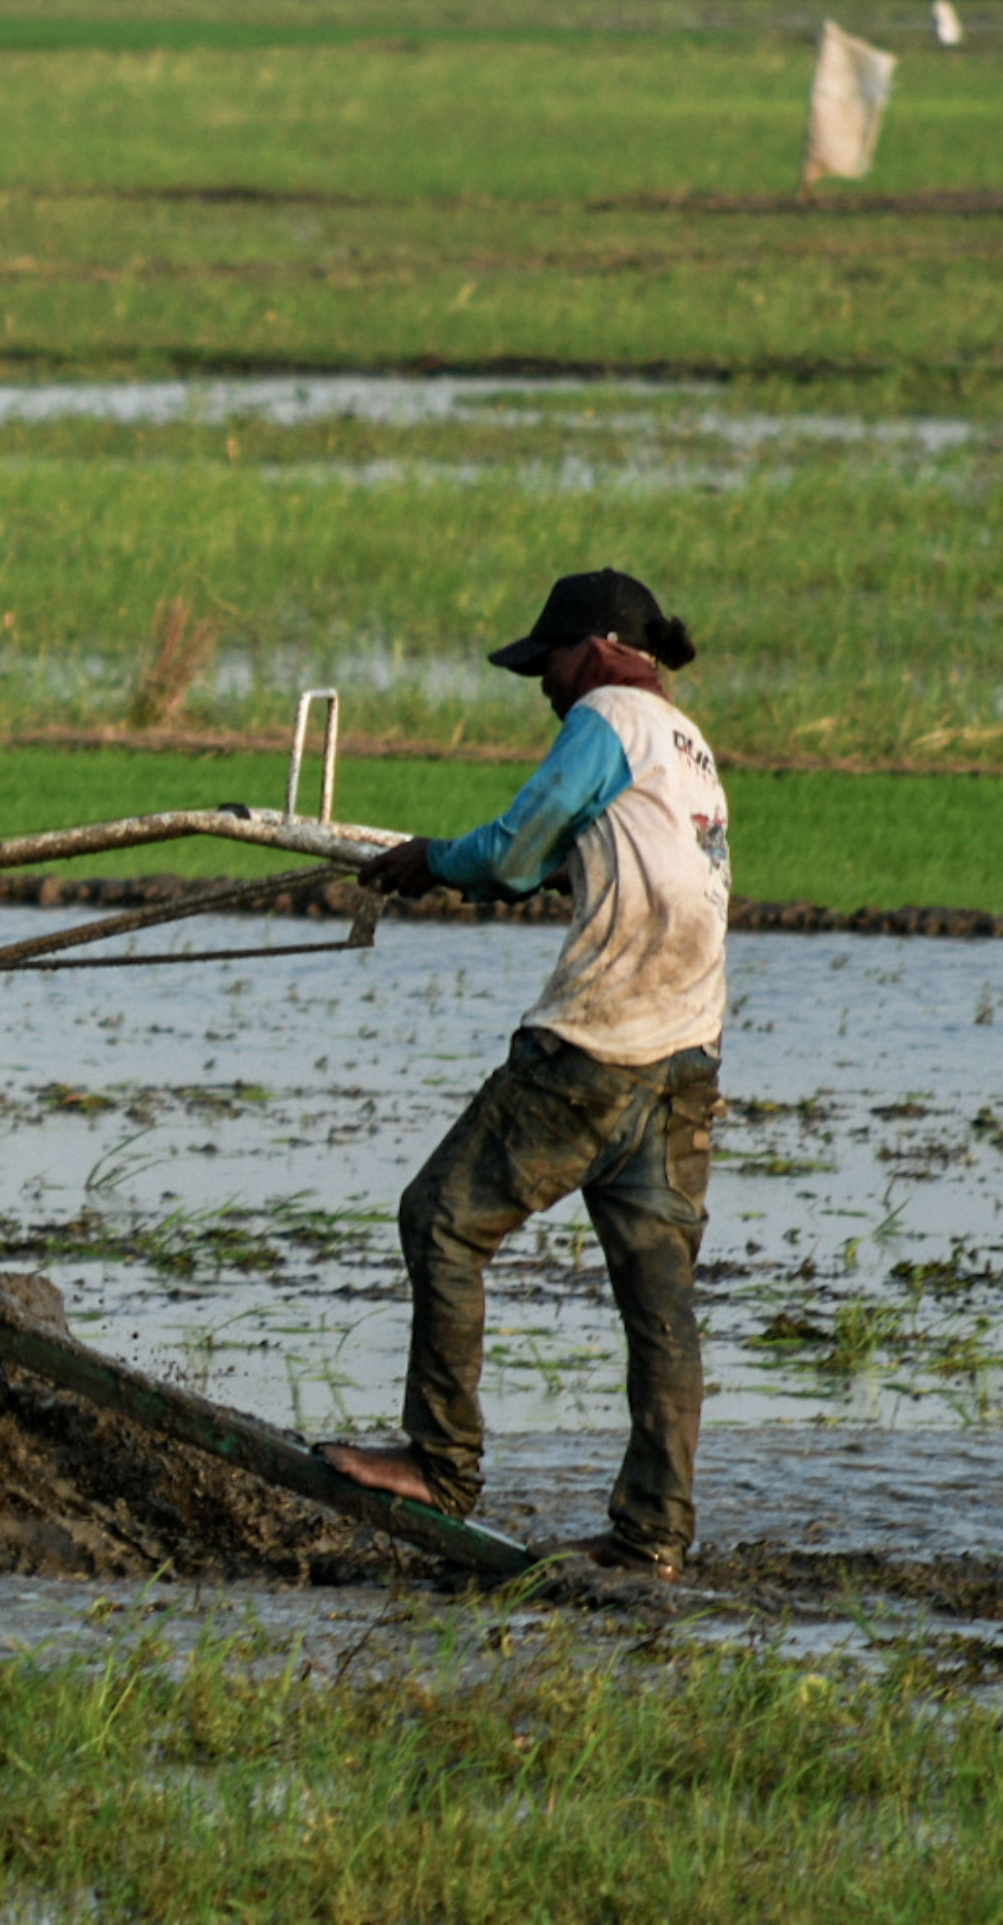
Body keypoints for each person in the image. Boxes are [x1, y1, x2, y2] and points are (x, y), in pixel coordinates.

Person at [321, 569, 729, 1581]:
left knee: (441, 1217)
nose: (543, 684)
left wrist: (431, 859)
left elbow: (510, 855)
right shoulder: (689, 747)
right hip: (686, 1058)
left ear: (596, 649)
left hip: (594, 1047)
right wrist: (492, 868)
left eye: (548, 661)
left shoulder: (606, 718)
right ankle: (653, 1537)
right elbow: (580, 861)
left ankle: (439, 1464)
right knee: (660, 1304)